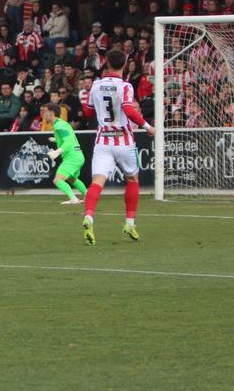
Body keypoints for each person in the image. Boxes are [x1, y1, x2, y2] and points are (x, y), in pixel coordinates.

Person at [81, 48, 154, 245]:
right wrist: (147, 126)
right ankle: (129, 222)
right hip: (124, 140)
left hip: (103, 140)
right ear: (124, 63)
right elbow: (129, 110)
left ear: (106, 63)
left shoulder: (95, 85)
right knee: (132, 179)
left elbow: (87, 114)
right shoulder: (126, 86)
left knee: (97, 182)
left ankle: (89, 216)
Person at [43, 103, 84, 205]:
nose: (43, 114)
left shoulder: (59, 125)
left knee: (57, 180)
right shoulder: (61, 123)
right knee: (72, 179)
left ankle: (74, 199)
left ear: (52, 113)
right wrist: (56, 140)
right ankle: (89, 196)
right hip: (77, 155)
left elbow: (69, 141)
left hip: (72, 157)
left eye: (45, 112)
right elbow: (69, 138)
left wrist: (57, 151)